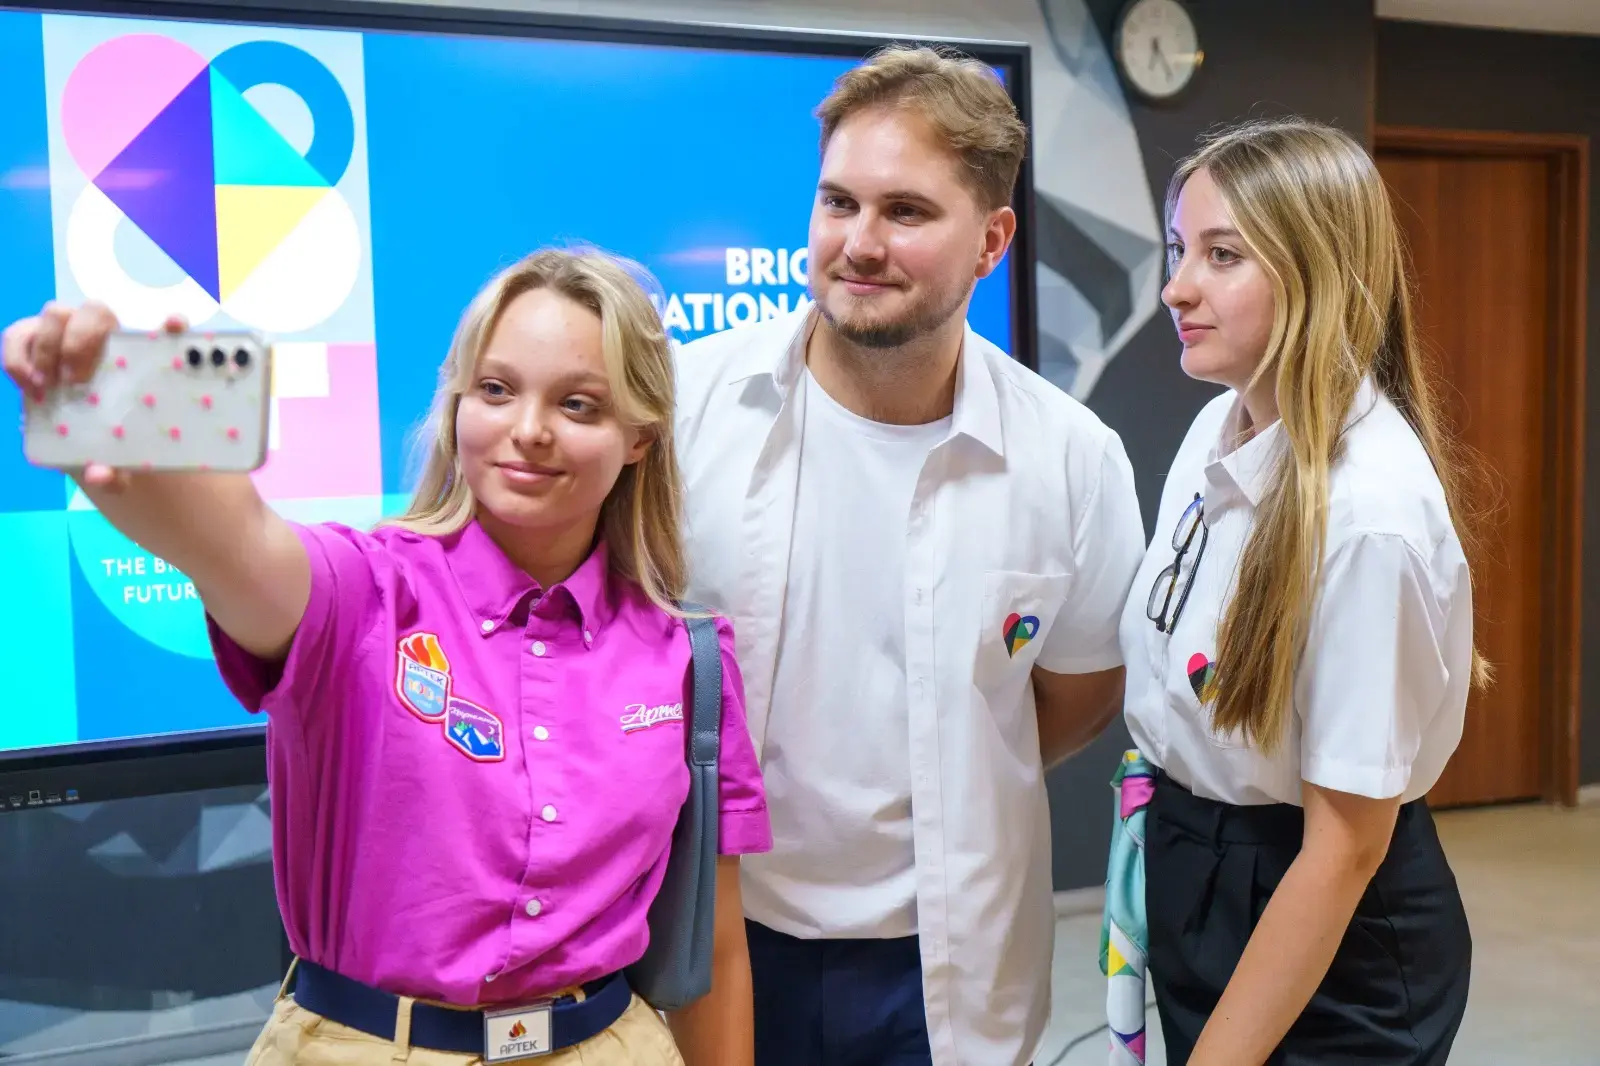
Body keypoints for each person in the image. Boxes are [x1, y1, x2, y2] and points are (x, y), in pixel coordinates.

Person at [3, 247, 772, 1066]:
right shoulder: (361, 593)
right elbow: (232, 540)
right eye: (496, 390)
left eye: (577, 404)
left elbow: (716, 948)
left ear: (640, 438)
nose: (528, 430)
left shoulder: (685, 656)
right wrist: (123, 437)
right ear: (457, 403)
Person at [673, 45, 1145, 1066]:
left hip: (942, 968)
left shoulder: (1070, 460)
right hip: (716, 936)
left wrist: (957, 754)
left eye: (906, 211)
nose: (860, 243)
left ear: (991, 241)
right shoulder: (683, 408)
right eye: (838, 202)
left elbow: (1079, 692)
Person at [1116, 117, 1479, 1066]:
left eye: (1222, 255)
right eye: (1178, 250)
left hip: (1332, 926)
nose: (1176, 288)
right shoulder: (1215, 429)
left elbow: (1345, 849)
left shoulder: (1369, 515)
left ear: (1317, 272)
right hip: (1205, 868)